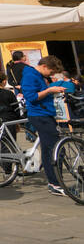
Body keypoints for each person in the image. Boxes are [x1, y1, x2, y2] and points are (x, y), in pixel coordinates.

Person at [21, 55, 69, 196]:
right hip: (39, 115)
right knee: (53, 150)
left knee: (53, 149)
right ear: (44, 67)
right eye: (51, 72)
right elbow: (31, 96)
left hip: (44, 114)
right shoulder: (31, 75)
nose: (52, 75)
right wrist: (49, 90)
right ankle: (54, 183)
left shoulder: (36, 75)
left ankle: (55, 182)